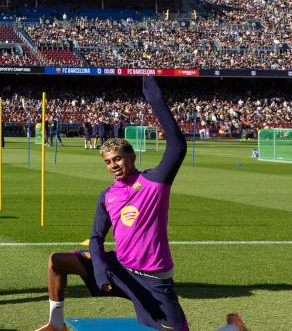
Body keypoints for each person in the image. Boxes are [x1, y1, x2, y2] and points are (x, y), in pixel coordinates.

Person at [34, 76, 193, 331]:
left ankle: (233, 327)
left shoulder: (155, 181)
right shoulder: (107, 195)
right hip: (119, 268)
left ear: (132, 157)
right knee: (57, 261)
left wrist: (156, 101)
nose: (113, 165)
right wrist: (99, 269)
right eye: (108, 162)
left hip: (152, 278)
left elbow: (177, 147)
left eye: (118, 159)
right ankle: (55, 323)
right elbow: (96, 237)